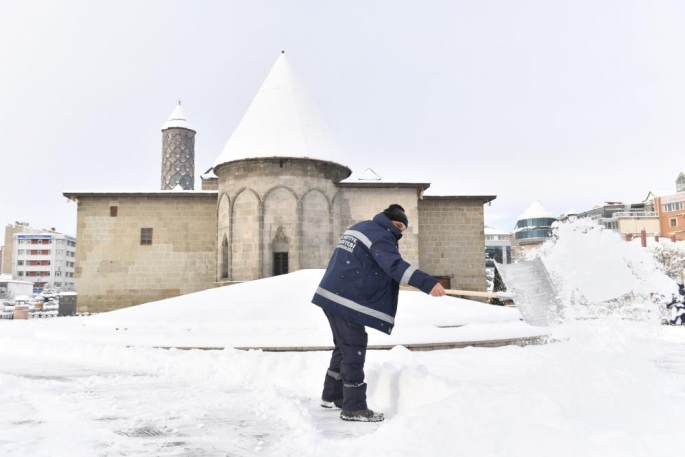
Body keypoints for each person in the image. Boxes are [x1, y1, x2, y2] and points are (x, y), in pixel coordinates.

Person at [311, 204, 446, 422]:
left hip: (334, 294)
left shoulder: (362, 228)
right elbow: (393, 265)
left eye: (403, 228)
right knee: (354, 346)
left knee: (344, 347)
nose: (400, 231)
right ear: (391, 222)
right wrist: (428, 283)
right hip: (346, 298)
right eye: (399, 225)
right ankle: (353, 407)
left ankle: (332, 395)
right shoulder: (380, 235)